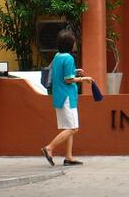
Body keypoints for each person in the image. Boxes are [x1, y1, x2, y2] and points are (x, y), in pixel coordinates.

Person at [41, 29, 94, 166]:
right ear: (70, 44)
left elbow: (61, 72)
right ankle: (49, 148)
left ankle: (68, 157)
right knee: (73, 128)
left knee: (69, 127)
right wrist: (84, 79)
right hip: (67, 97)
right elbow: (68, 79)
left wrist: (75, 71)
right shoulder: (69, 58)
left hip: (59, 97)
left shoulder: (57, 56)